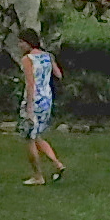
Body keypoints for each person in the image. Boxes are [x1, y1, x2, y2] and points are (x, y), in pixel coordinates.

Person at [15, 28, 67, 185]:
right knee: (37, 134)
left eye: (21, 42)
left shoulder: (28, 59)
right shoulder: (47, 56)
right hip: (46, 98)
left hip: (34, 100)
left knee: (29, 138)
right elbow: (58, 75)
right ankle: (57, 164)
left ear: (28, 42)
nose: (19, 45)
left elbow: (30, 84)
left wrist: (29, 108)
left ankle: (38, 176)